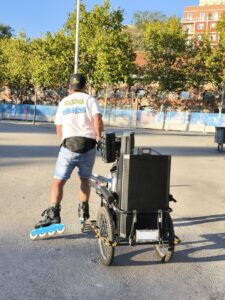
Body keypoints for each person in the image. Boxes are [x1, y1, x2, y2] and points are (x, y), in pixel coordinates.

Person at [34, 73, 103, 229]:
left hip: (68, 145)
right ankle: (83, 211)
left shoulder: (64, 102)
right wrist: (99, 137)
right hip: (88, 144)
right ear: (85, 86)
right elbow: (97, 120)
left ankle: (53, 214)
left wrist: (62, 143)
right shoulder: (90, 100)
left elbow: (59, 126)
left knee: (58, 181)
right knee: (84, 179)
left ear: (70, 87)